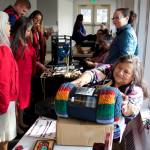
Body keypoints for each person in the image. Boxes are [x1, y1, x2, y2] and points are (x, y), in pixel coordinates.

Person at [72, 55, 149, 140]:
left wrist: (126, 106)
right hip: (86, 114)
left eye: (126, 72)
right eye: (119, 67)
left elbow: (132, 111)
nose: (120, 73)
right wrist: (80, 81)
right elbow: (92, 74)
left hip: (109, 128)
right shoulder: (108, 69)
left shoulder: (136, 91)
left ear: (133, 77)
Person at [11, 17, 36, 134]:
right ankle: (16, 126)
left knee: (23, 101)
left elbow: (32, 54)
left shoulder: (26, 40)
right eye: (27, 30)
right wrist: (23, 48)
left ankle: (20, 121)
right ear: (21, 29)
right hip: (17, 77)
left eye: (30, 30)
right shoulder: (13, 41)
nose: (29, 33)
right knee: (16, 102)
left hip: (26, 76)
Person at [0, 11, 19, 150]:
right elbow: (3, 81)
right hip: (4, 102)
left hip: (5, 100)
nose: (10, 25)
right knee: (4, 140)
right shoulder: (3, 50)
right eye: (7, 22)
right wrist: (4, 105)